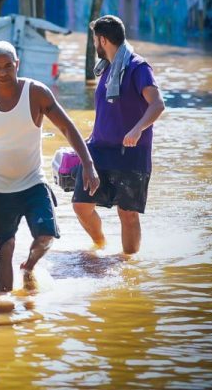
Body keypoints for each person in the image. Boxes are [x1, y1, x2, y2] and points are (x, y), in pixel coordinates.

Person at [0, 41, 100, 293]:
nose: (3, 73)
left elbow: (67, 127)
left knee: (46, 236)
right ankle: (4, 304)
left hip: (33, 183)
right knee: (5, 249)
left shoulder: (36, 93)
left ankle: (29, 266)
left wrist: (88, 164)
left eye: (8, 66)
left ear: (17, 65)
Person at [72, 15, 165, 254]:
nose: (94, 45)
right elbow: (108, 112)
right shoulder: (106, 69)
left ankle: (128, 266)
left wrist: (137, 129)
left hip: (131, 153)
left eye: (95, 40)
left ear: (102, 40)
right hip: (100, 150)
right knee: (81, 205)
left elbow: (157, 105)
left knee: (128, 214)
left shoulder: (138, 67)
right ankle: (100, 244)